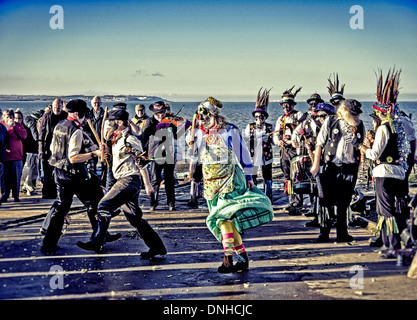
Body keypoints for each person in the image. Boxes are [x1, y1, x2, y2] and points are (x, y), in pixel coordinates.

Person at [188, 97, 273, 273]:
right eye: (199, 115)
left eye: (203, 115)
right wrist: (193, 133)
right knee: (223, 219)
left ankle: (227, 258)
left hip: (230, 180)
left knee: (224, 217)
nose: (201, 118)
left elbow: (242, 153)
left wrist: (249, 176)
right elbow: (193, 153)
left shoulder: (229, 130)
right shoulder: (200, 132)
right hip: (211, 183)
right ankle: (242, 257)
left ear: (212, 115)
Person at [76, 109, 167, 257]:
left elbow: (141, 162)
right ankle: (157, 247)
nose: (107, 128)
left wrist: (148, 184)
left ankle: (97, 241)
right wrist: (106, 152)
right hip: (123, 179)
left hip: (129, 180)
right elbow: (118, 159)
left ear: (119, 123)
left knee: (103, 206)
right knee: (134, 218)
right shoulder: (117, 140)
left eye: (109, 124)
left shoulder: (130, 140)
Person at [41, 99, 109, 254]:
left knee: (61, 207)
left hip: (58, 171)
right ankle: (98, 238)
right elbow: (73, 158)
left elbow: (53, 148)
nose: (86, 118)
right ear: (78, 114)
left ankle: (48, 244)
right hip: (73, 174)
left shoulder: (60, 125)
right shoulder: (76, 131)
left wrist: (89, 145)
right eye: (84, 115)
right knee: (94, 202)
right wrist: (94, 153)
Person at [360, 69, 411, 258]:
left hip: (384, 174)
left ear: (379, 113)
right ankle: (391, 244)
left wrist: (365, 149)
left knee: (386, 212)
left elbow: (374, 154)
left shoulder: (384, 128)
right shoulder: (399, 126)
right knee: (391, 210)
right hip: (398, 173)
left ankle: (392, 247)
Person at [311, 99, 365, 242]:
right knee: (326, 202)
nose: (356, 117)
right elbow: (319, 144)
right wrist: (316, 165)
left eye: (357, 114)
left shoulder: (360, 125)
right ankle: (324, 232)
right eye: (353, 114)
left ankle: (342, 233)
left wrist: (357, 170)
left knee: (344, 203)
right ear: (346, 112)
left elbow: (360, 149)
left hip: (349, 169)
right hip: (331, 168)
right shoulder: (330, 121)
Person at [292, 102, 336, 226]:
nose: (320, 118)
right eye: (318, 116)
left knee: (326, 193)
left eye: (323, 116)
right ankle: (318, 217)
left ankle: (328, 218)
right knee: (317, 190)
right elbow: (296, 133)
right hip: (318, 162)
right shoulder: (307, 121)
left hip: (331, 164)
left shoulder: (333, 127)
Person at [142, 101, 178, 211]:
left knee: (169, 179)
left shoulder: (170, 120)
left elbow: (176, 135)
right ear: (155, 113)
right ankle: (153, 202)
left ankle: (171, 203)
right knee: (155, 179)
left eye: (163, 112)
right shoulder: (150, 121)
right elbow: (146, 134)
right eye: (159, 113)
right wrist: (159, 126)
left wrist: (173, 124)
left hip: (169, 153)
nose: (162, 115)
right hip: (155, 153)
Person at [273, 86, 304, 214]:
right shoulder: (280, 119)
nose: (286, 108)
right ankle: (292, 201)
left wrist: (292, 139)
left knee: (297, 176)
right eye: (284, 105)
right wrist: (278, 141)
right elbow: (275, 135)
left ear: (292, 105)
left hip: (295, 150)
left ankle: (298, 202)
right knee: (287, 177)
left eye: (288, 105)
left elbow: (303, 131)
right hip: (284, 151)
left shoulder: (299, 115)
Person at [244, 88, 274, 201]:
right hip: (253, 155)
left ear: (265, 117)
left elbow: (275, 141)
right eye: (256, 117)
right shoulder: (249, 127)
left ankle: (268, 196)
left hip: (266, 156)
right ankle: (254, 195)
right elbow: (245, 141)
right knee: (253, 176)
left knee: (267, 177)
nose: (258, 119)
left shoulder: (270, 128)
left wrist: (272, 139)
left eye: (261, 117)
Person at [38, 98, 68, 199]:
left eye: (59, 108)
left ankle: (57, 192)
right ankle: (46, 192)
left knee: (59, 171)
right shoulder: (46, 117)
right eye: (55, 108)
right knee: (47, 171)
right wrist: (40, 149)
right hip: (48, 147)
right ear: (52, 107)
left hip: (61, 148)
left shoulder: (64, 115)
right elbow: (41, 135)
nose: (57, 110)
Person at [0, 109, 27, 203]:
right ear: (3, 117)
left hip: (16, 156)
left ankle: (16, 196)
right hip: (4, 156)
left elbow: (24, 135)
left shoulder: (18, 125)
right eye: (6, 117)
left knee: (16, 177)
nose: (9, 119)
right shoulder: (1, 126)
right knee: (4, 178)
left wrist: (15, 127)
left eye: (10, 117)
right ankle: (4, 195)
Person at [15, 110, 38, 196]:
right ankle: (25, 186)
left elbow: (29, 141)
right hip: (15, 153)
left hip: (26, 153)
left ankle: (27, 186)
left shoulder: (25, 128)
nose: (17, 120)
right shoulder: (10, 128)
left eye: (19, 118)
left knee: (27, 171)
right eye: (16, 118)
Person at [23, 110, 44, 196]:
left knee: (30, 168)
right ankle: (29, 186)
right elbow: (35, 134)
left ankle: (26, 185)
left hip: (29, 149)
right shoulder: (32, 122)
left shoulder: (28, 120)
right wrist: (38, 142)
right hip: (32, 149)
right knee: (32, 169)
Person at [0, 107, 9, 202]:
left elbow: (6, 139)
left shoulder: (2, 127)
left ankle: (3, 195)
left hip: (1, 155)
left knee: (2, 177)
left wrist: (4, 148)